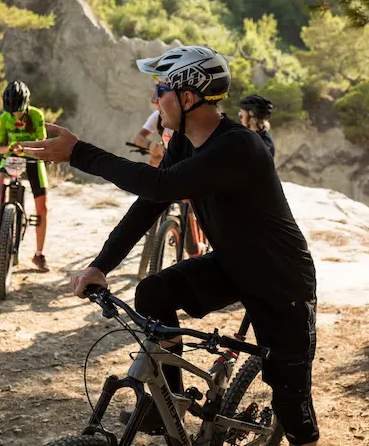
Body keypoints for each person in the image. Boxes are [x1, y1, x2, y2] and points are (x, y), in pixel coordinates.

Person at [21, 46, 319, 446]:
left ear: (188, 97)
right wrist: (101, 266)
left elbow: (158, 185)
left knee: (294, 414)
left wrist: (79, 152)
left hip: (282, 283)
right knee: (153, 292)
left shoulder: (238, 147)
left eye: (160, 88)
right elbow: (150, 204)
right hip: (233, 264)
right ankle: (170, 405)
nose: (153, 98)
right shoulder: (182, 142)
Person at [0, 81, 50, 272]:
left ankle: (39, 254)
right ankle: (0, 239)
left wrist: (26, 148)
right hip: (11, 158)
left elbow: (43, 142)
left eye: (18, 110)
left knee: (43, 207)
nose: (15, 114)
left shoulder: (36, 115)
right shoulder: (3, 119)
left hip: (33, 159)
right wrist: (10, 148)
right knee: (0, 188)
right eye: (11, 110)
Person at [238, 93, 275, 158]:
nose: (240, 120)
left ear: (251, 120)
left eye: (241, 116)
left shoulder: (262, 144)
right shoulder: (259, 138)